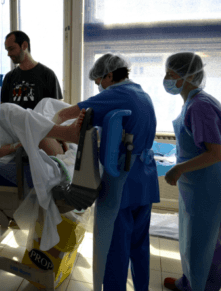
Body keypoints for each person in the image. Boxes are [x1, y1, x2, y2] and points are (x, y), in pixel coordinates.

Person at [51, 53, 160, 291]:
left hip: (122, 180)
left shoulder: (117, 94)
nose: (99, 86)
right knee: (139, 243)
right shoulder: (142, 94)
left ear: (110, 75)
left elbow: (70, 113)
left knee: (114, 246)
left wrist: (50, 122)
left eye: (99, 80)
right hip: (145, 179)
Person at [162, 52, 221, 291]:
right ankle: (190, 283)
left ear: (188, 76)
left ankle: (199, 287)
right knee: (198, 241)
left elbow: (215, 153)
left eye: (170, 74)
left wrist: (178, 168)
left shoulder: (199, 106)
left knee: (200, 245)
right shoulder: (199, 100)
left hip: (207, 185)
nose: (166, 79)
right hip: (200, 182)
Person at [0, 31, 63, 109]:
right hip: (14, 121)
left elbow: (57, 109)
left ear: (24, 45)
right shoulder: (9, 77)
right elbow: (1, 107)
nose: (9, 54)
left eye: (11, 49)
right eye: (7, 50)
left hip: (38, 121)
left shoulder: (47, 75)